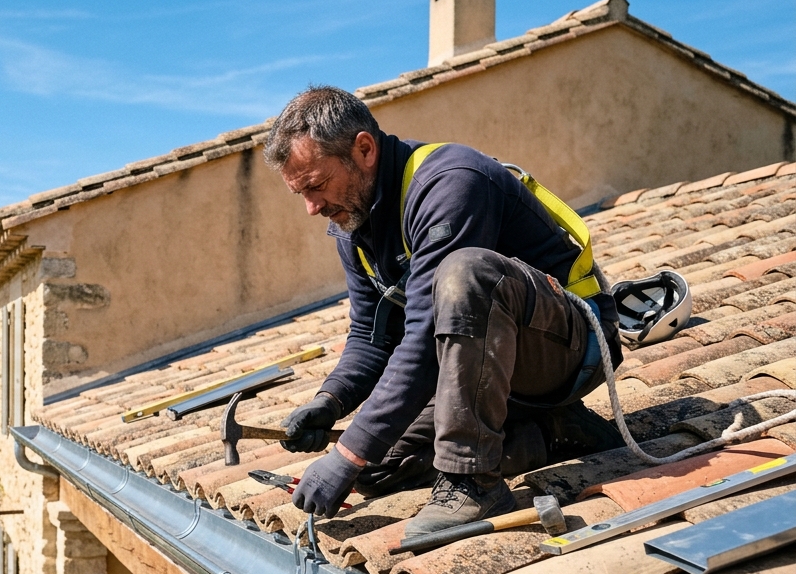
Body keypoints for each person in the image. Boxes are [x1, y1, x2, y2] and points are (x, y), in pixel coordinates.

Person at [262, 85, 623, 536]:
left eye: (315, 186)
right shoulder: (352, 225)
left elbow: (424, 333)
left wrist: (347, 451)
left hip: (569, 348)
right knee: (378, 467)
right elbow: (371, 340)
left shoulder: (452, 181)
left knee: (465, 273)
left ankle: (473, 482)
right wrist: (329, 402)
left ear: (365, 149)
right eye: (301, 194)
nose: (312, 208)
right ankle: (554, 432)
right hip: (482, 366)